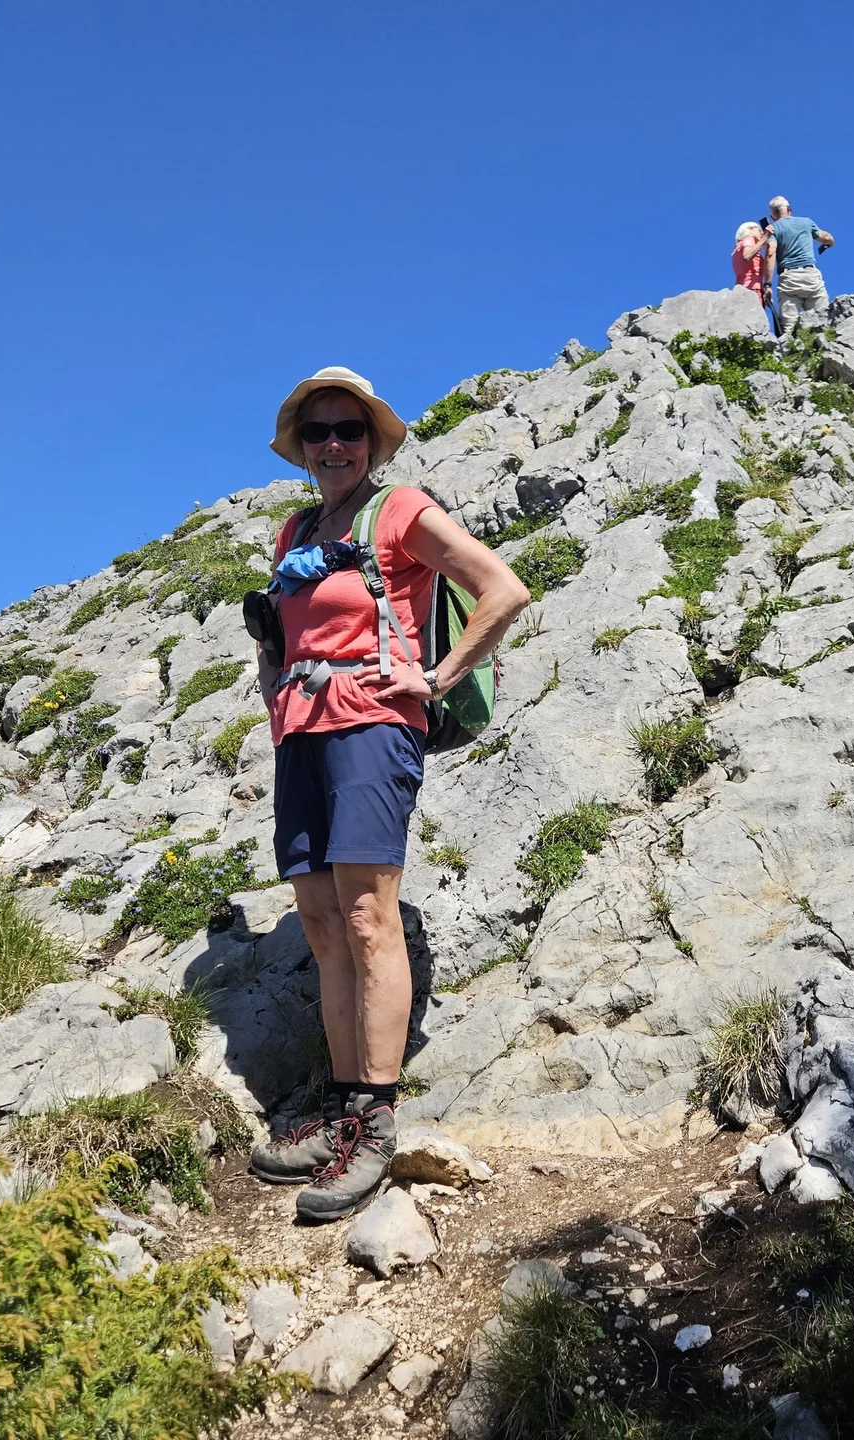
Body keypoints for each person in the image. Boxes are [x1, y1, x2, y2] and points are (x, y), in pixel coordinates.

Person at [246, 366, 531, 1222]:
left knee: (369, 919)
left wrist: (435, 677)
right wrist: (271, 686)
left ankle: (372, 1124)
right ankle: (338, 1112)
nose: (335, 444)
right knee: (323, 925)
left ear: (371, 441)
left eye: (350, 431)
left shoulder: (400, 509)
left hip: (373, 726)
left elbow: (503, 588)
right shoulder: (294, 526)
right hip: (299, 731)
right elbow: (282, 626)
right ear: (301, 447)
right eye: (320, 432)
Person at [766, 195, 834, 330]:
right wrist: (829, 243)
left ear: (773, 216)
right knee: (823, 322)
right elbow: (826, 237)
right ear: (789, 209)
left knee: (789, 329)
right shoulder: (806, 222)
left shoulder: (773, 229)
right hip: (811, 276)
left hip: (789, 280)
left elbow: (770, 252)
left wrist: (767, 284)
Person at [731, 220, 772, 315]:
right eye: (759, 231)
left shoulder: (737, 249)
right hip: (752, 288)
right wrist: (765, 238)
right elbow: (747, 255)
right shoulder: (748, 239)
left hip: (743, 287)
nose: (761, 234)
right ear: (750, 229)